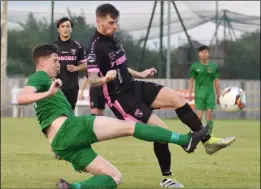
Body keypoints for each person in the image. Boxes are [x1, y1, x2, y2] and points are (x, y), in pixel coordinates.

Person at [16, 44, 210, 189]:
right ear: (42, 61)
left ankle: (72, 187)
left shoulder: (46, 81)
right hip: (70, 129)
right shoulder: (40, 77)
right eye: (55, 60)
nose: (59, 64)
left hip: (62, 144)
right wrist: (48, 93)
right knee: (129, 126)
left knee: (114, 177)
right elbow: (21, 97)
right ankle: (185, 140)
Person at [86, 3, 236, 188]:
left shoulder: (114, 39)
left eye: (116, 22)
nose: (115, 26)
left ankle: (208, 141)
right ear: (98, 22)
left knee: (177, 98)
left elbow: (120, 66)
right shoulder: (94, 46)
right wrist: (104, 80)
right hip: (121, 99)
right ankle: (167, 177)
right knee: (161, 132)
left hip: (134, 86)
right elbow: (92, 78)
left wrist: (139, 74)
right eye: (111, 22)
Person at [54, 17, 87, 111]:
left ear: (71, 29)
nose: (65, 29)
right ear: (58, 29)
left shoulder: (77, 46)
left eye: (68, 26)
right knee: (58, 112)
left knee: (69, 112)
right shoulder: (52, 46)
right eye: (63, 26)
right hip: (56, 86)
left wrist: (76, 68)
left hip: (72, 87)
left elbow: (87, 64)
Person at [188, 45, 220, 134]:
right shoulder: (195, 66)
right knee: (199, 116)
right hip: (199, 95)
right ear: (199, 54)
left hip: (210, 94)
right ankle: (194, 135)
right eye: (202, 52)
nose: (204, 54)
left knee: (209, 115)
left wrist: (218, 95)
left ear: (208, 53)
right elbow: (191, 80)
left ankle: (208, 137)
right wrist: (190, 93)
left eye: (205, 52)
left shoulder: (214, 66)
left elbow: (216, 81)